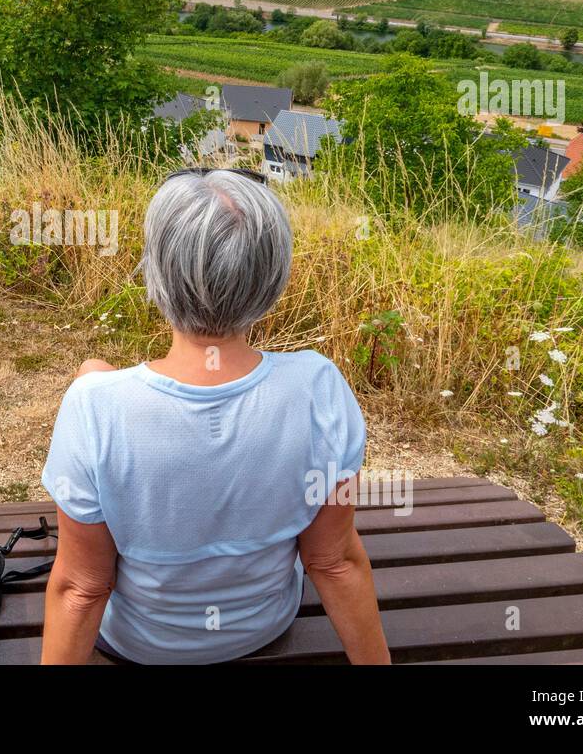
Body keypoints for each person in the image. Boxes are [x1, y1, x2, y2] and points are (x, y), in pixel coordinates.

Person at [40, 168, 390, 665]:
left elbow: (82, 587)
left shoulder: (94, 406)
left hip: (142, 645)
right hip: (265, 626)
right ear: (272, 276)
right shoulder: (319, 388)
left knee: (91, 373)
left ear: (156, 271)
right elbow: (333, 561)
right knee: (94, 375)